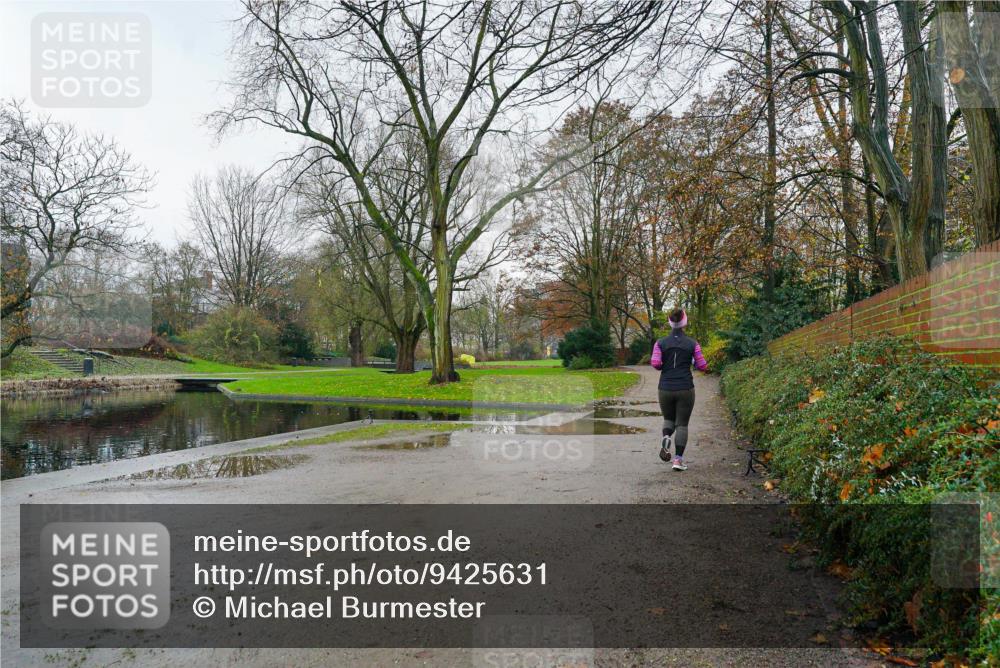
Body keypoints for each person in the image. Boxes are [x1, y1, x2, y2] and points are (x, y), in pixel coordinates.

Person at [650, 308, 708, 471]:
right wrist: (696, 364)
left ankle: (667, 437)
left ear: (670, 322)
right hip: (685, 387)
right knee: (682, 424)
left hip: (665, 388)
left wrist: (664, 364)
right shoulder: (692, 343)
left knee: (668, 419)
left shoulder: (660, 343)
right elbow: (702, 365)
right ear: (684, 322)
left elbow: (655, 363)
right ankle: (677, 460)